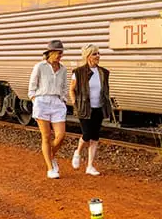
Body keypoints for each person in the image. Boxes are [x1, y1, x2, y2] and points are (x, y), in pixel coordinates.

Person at [69, 44, 114, 176]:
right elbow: (71, 89)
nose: (98, 56)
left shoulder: (103, 72)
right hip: (84, 108)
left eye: (98, 53)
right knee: (87, 134)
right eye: (94, 54)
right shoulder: (78, 72)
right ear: (88, 56)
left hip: (98, 108)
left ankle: (90, 166)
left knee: (95, 137)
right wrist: (75, 103)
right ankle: (77, 152)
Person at [28, 40, 69, 179]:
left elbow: (64, 87)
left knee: (61, 136)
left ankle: (50, 156)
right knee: (46, 136)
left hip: (57, 103)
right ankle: (50, 168)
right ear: (50, 53)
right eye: (58, 53)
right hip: (42, 102)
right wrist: (35, 101)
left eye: (61, 53)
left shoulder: (63, 69)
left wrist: (63, 100)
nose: (60, 55)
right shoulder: (40, 66)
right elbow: (32, 86)